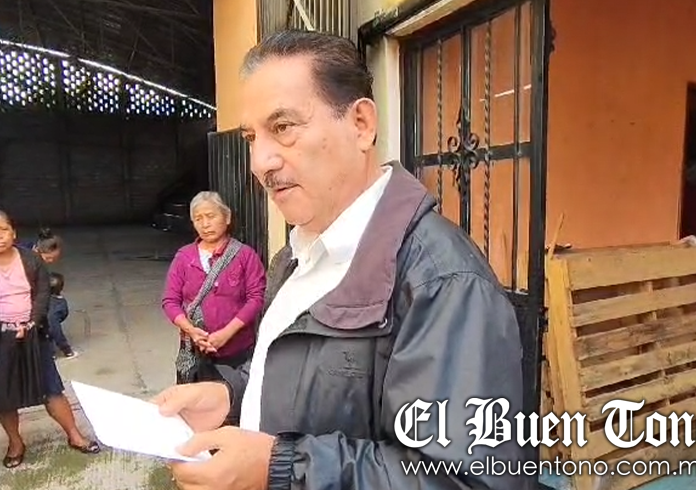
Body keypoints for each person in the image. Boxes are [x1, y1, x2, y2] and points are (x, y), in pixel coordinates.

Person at [153, 30, 525, 490]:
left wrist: (282, 468)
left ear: (361, 124)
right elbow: (313, 377)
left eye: (283, 127)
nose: (260, 162)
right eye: (251, 137)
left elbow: (468, 480)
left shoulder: (444, 283)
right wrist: (231, 396)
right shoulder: (295, 254)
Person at [0, 210, 99, 469]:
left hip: (33, 333)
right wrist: (2, 327)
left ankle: (74, 434)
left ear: (13, 232)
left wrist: (31, 323)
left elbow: (42, 293)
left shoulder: (30, 258)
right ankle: (15, 443)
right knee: (3, 393)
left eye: (3, 229)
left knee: (52, 388)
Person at [161, 191, 266, 386]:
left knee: (235, 397)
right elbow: (170, 301)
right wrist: (191, 331)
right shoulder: (184, 257)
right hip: (195, 350)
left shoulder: (245, 255)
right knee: (197, 399)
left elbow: (256, 298)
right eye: (198, 219)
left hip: (238, 349)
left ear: (227, 217)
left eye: (210, 216)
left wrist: (226, 333)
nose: (205, 224)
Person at [46, 272, 77, 359]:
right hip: (50, 323)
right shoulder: (59, 304)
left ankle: (50, 353)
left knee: (46, 334)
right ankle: (58, 353)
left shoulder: (42, 300)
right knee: (52, 331)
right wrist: (67, 350)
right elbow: (56, 332)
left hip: (42, 324)